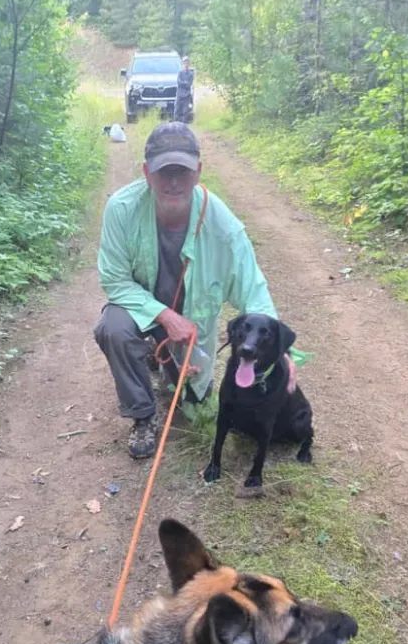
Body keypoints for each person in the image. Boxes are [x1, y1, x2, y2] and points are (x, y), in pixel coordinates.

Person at [94, 122, 283, 460]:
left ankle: (165, 360)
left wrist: (281, 352)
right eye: (164, 171)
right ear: (146, 172)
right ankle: (143, 415)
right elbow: (114, 280)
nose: (174, 182)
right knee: (113, 328)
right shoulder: (121, 209)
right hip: (143, 309)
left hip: (192, 326)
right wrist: (165, 317)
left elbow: (254, 292)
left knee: (193, 401)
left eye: (182, 171)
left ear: (198, 171)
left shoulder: (223, 224)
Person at [174, 56, 194, 123]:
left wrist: (184, 83)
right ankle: (176, 122)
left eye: (187, 62)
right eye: (185, 62)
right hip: (179, 93)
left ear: (189, 64)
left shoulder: (191, 74)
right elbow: (179, 82)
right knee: (177, 109)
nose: (186, 64)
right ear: (183, 64)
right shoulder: (180, 72)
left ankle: (184, 123)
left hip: (187, 94)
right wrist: (185, 83)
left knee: (185, 110)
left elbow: (189, 84)